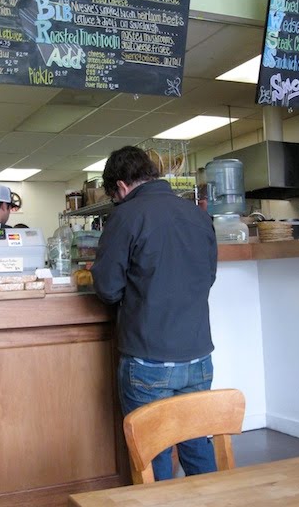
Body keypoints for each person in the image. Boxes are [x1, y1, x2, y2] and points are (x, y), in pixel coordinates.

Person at [91, 146, 218, 481]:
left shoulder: (126, 216)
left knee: (154, 452)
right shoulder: (197, 214)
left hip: (148, 359)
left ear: (121, 186)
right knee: (197, 443)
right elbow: (209, 276)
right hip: (199, 356)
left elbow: (107, 288)